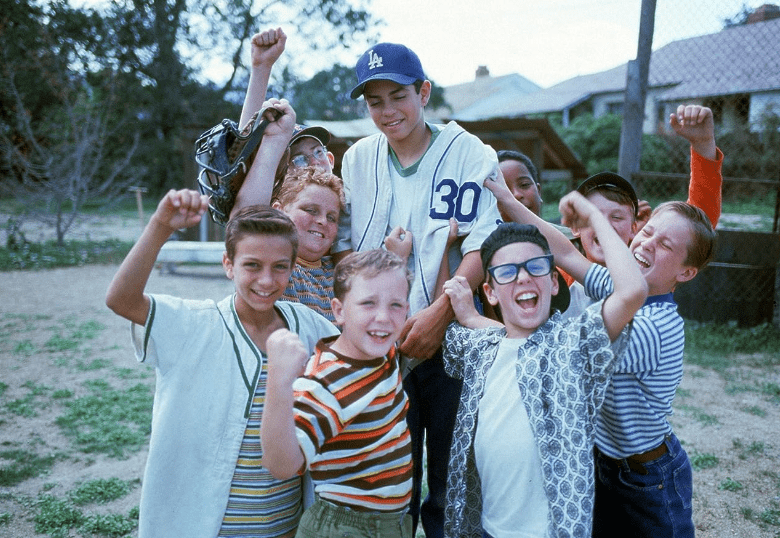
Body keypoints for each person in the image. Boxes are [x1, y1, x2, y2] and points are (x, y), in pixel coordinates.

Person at [482, 171, 717, 538]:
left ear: (686, 273)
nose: (648, 243)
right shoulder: (617, 286)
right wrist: (509, 202)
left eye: (666, 245)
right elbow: (562, 250)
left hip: (648, 477)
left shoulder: (656, 326)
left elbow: (561, 351)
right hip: (607, 462)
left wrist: (593, 217)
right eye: (649, 231)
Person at [333, 41, 503, 537]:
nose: (387, 111)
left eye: (398, 95)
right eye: (374, 101)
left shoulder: (468, 151)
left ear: (423, 92)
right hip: (378, 345)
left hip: (446, 339)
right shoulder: (359, 159)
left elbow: (482, 247)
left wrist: (440, 315)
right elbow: (342, 245)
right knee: (387, 479)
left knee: (452, 481)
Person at [105, 195, 338, 538]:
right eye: (252, 265)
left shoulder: (311, 326)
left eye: (280, 267)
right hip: (208, 526)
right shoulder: (194, 324)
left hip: (285, 525)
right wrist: (160, 226)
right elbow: (120, 299)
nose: (266, 280)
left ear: (292, 267)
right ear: (228, 264)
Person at [440, 191, 648, 537]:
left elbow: (632, 292)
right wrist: (466, 308)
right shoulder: (482, 347)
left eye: (535, 267)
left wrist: (595, 218)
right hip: (486, 527)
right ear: (490, 292)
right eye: (508, 272)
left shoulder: (573, 343)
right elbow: (490, 334)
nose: (523, 278)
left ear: (553, 282)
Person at [261, 249, 414, 538]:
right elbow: (280, 465)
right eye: (368, 303)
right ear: (339, 310)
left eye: (396, 305)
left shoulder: (382, 351)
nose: (383, 317)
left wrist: (396, 258)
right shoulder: (326, 384)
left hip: (389, 522)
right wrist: (278, 382)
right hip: (346, 528)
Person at [272, 165, 346, 321]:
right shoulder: (276, 267)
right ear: (279, 211)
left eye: (332, 218)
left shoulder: (340, 274)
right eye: (311, 210)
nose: (322, 221)